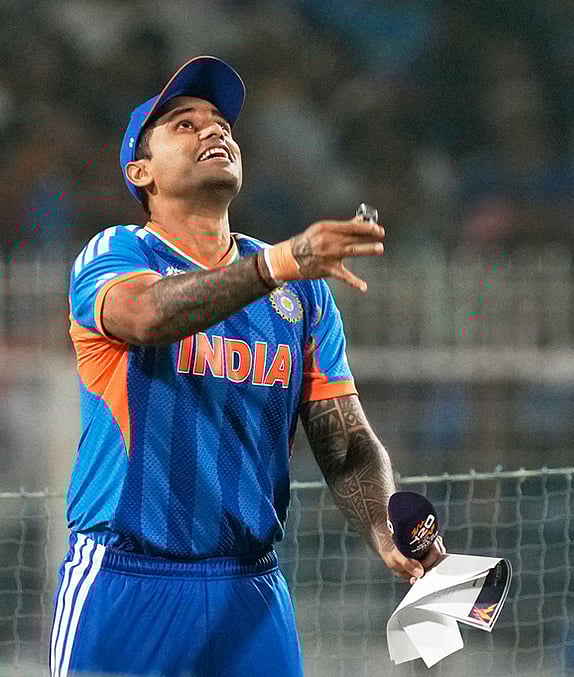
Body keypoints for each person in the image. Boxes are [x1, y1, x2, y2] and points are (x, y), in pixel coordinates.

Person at [50, 55, 444, 677]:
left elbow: (342, 440)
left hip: (251, 586)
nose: (215, 131)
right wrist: (276, 266)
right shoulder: (118, 251)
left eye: (221, 123)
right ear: (140, 170)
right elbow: (147, 316)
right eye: (184, 124)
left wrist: (383, 526)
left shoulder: (302, 290)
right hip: (126, 581)